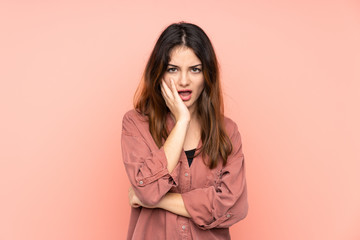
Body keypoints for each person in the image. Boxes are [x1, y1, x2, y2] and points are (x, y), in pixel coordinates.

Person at [121, 22, 248, 240]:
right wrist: (182, 123)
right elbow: (148, 189)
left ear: (207, 75)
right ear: (159, 73)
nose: (183, 81)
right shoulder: (136, 124)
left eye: (195, 69)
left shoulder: (228, 132)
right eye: (173, 69)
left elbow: (233, 207)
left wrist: (156, 201)